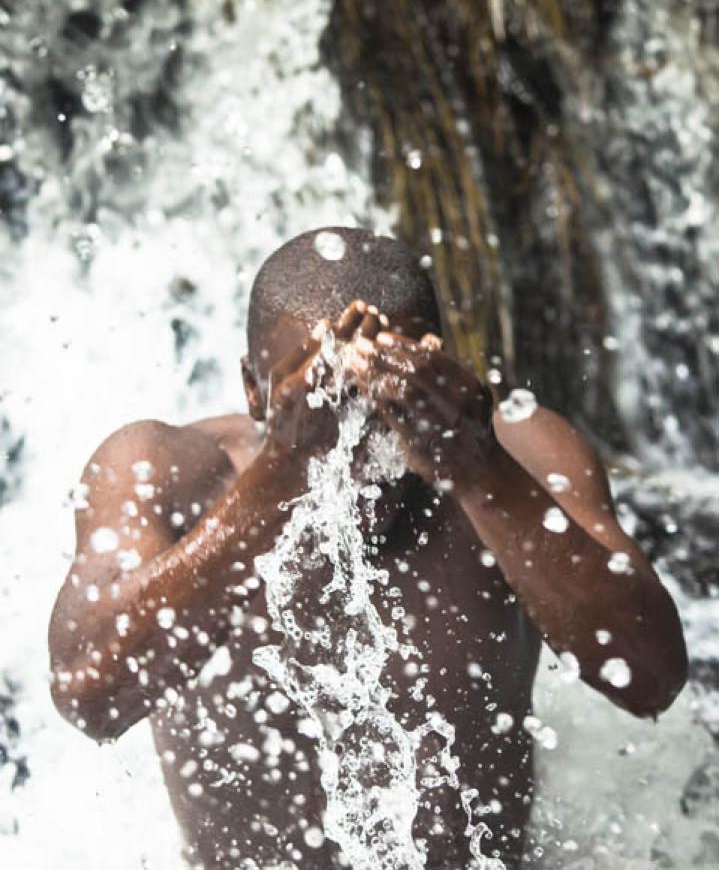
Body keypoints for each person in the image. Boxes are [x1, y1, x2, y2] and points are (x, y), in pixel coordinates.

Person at [48, 227, 688, 869]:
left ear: (437, 369)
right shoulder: (162, 472)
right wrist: (282, 474)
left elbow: (651, 678)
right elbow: (88, 696)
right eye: (318, 398)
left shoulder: (515, 460)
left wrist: (477, 468)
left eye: (388, 397)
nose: (354, 435)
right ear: (252, 390)